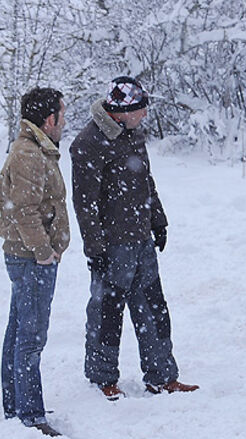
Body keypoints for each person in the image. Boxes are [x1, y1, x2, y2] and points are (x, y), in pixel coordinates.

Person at [70, 76, 198, 400]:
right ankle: (103, 378)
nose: (145, 114)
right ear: (120, 111)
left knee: (154, 309)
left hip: (141, 241)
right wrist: (95, 248)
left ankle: (162, 376)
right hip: (112, 245)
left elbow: (146, 182)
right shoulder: (89, 143)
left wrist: (159, 220)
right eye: (140, 109)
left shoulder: (133, 134)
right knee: (106, 313)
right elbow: (85, 203)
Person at [0, 87, 69, 436]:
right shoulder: (29, 154)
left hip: (27, 256)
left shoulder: (34, 149)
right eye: (62, 115)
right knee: (30, 336)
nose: (64, 122)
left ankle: (17, 405)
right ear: (49, 119)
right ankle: (30, 414)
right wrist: (43, 251)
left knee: (20, 331)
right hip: (31, 259)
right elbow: (24, 209)